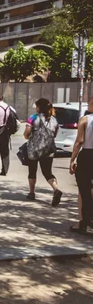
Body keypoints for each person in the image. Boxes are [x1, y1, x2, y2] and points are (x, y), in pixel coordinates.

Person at [24, 98, 62, 205]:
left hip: (34, 150)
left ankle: (31, 193)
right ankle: (56, 190)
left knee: (32, 170)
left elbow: (27, 133)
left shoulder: (33, 118)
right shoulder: (54, 120)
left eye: (36, 106)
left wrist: (28, 136)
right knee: (47, 172)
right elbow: (54, 135)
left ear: (39, 107)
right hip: (48, 150)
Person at [69, 95, 93, 234]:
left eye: (90, 102)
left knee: (84, 190)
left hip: (87, 155)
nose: (88, 105)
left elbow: (79, 141)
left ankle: (84, 221)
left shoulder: (85, 119)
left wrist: (72, 159)